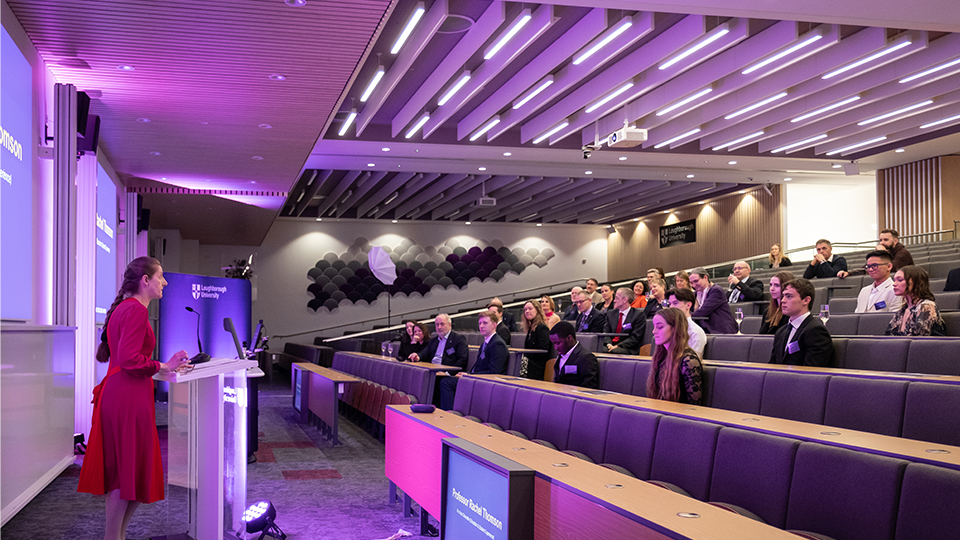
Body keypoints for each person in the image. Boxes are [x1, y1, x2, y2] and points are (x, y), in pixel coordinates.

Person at [77, 257, 191, 540]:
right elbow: (130, 359)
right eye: (160, 276)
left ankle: (118, 535)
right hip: (127, 397)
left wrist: (165, 365)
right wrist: (164, 365)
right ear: (145, 280)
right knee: (126, 471)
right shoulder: (136, 311)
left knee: (133, 470)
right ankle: (112, 536)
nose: (164, 282)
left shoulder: (124, 309)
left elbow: (127, 358)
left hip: (124, 394)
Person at [439, 310, 508, 410]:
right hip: (476, 379)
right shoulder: (486, 342)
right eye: (480, 323)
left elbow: (494, 373)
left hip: (486, 383)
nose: (481, 326)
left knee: (446, 383)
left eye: (485, 323)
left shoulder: (497, 344)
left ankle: (449, 414)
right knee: (444, 380)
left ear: (494, 325)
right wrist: (466, 374)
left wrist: (470, 376)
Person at [646, 307, 704, 405]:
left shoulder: (688, 360)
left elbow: (694, 406)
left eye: (659, 327)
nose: (654, 331)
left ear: (675, 328)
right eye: (654, 327)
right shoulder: (661, 356)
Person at [770, 278, 833, 367]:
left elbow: (812, 372)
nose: (783, 300)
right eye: (783, 296)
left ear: (806, 300)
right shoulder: (781, 332)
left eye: (789, 296)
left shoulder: (815, 331)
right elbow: (772, 366)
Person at [886, 265, 945, 336]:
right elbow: (888, 336)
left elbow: (918, 339)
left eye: (900, 280)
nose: (894, 284)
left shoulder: (927, 306)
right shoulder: (902, 310)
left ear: (919, 283)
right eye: (894, 280)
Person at [838, 229, 915, 278]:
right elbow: (867, 268)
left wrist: (883, 253)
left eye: (885, 240)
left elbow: (890, 269)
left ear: (895, 241)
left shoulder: (903, 253)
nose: (882, 243)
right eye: (880, 240)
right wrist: (849, 273)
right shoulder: (887, 251)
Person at [549, 321, 599, 388]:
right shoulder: (560, 356)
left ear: (569, 338)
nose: (555, 348)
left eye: (558, 343)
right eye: (554, 344)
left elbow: (589, 387)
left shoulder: (586, 358)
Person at [689, 268, 738, 334]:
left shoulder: (716, 291)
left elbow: (702, 312)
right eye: (691, 283)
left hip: (721, 330)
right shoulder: (696, 294)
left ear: (705, 277)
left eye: (696, 281)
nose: (693, 285)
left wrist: (684, 316)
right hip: (705, 329)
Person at [602, 287, 647, 354]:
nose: (614, 300)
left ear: (625, 300)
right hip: (610, 346)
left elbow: (635, 337)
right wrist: (609, 344)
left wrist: (617, 346)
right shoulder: (611, 313)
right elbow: (606, 333)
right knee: (596, 348)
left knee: (615, 351)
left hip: (627, 348)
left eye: (617, 298)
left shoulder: (638, 315)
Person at [520, 300, 556, 381]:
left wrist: (526, 355)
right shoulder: (531, 328)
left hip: (538, 365)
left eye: (530, 309)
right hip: (531, 362)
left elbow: (543, 350)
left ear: (537, 310)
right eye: (525, 310)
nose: (527, 311)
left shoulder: (542, 328)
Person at [665, 288, 707, 357]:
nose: (671, 307)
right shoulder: (667, 329)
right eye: (670, 304)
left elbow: (692, 362)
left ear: (688, 305)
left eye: (675, 303)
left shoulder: (696, 332)